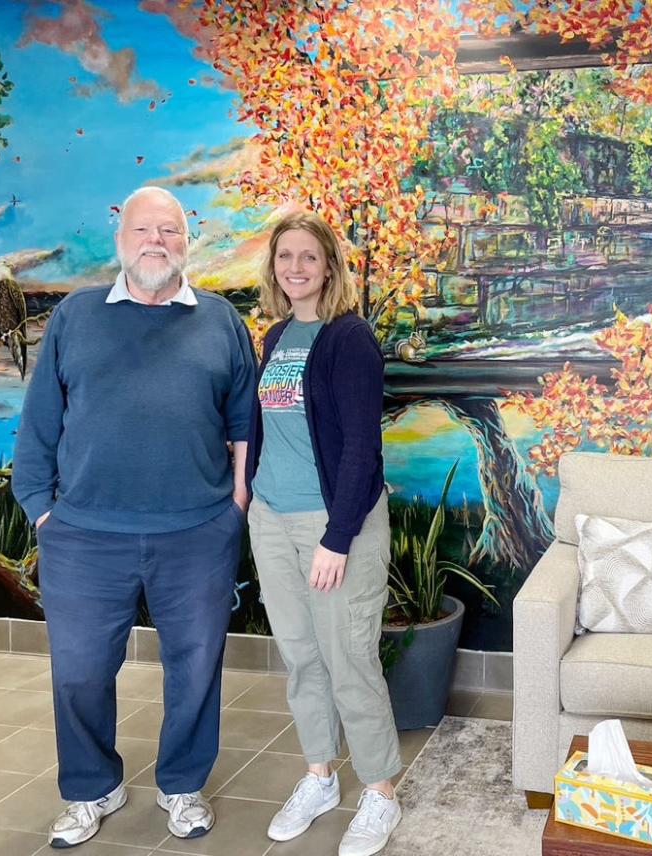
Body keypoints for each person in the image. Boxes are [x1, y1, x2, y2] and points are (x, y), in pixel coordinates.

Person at [12, 186, 256, 849]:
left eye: (171, 232)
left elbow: (244, 428)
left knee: (196, 668)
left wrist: (233, 509)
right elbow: (38, 427)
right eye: (146, 230)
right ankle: (93, 786)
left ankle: (182, 785)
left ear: (186, 242)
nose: (158, 242)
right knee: (80, 672)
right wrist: (42, 513)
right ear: (121, 237)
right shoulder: (75, 316)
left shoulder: (220, 322)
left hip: (197, 534)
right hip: (84, 539)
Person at [243, 211, 401, 856]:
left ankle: (381, 793)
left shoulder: (349, 338)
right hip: (271, 518)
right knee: (302, 657)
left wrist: (337, 537)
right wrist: (248, 488)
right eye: (286, 257)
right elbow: (265, 426)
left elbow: (362, 445)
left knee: (349, 660)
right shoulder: (277, 334)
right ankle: (319, 776)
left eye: (309, 257)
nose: (296, 268)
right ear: (274, 267)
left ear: (330, 266)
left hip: (337, 524)